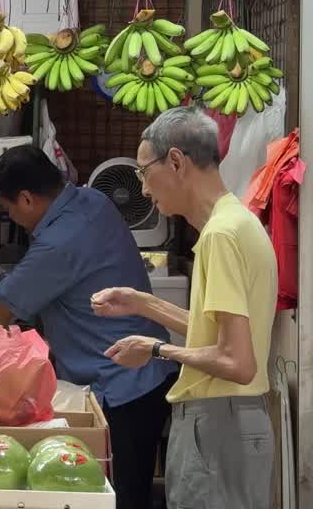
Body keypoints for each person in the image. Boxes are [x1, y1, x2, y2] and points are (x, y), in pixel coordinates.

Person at [0, 145, 176, 509]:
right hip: (145, 376)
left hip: (120, 386)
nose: (14, 219)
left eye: (10, 210)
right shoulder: (93, 201)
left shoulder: (59, 242)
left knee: (116, 497)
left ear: (26, 199)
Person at [94, 106, 276, 509]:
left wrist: (156, 350)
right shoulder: (237, 223)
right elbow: (218, 335)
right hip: (234, 419)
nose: (142, 189)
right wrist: (143, 303)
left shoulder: (220, 236)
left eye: (143, 172)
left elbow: (236, 361)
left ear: (176, 161)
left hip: (217, 423)